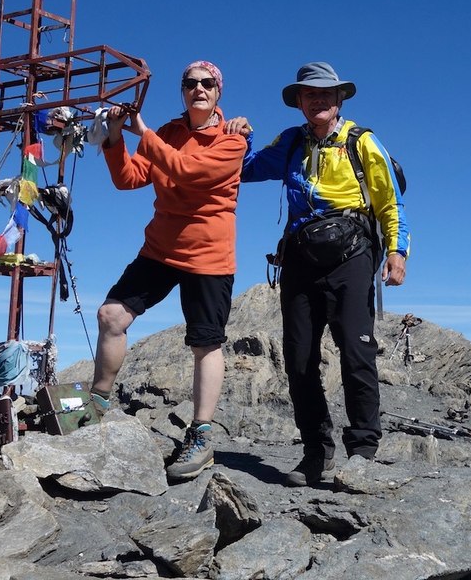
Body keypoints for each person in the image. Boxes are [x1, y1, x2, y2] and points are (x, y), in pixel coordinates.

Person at [226, 61, 410, 486]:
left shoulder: (362, 142)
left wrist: (397, 252)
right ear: (300, 103)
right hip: (299, 259)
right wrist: (240, 135)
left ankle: (362, 451)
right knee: (299, 357)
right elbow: (246, 169)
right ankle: (316, 452)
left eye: (326, 93)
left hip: (352, 255)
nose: (318, 100)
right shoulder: (291, 142)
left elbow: (390, 200)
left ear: (339, 98)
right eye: (310, 95)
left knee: (356, 350)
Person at [90, 60, 247, 482]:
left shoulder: (232, 139)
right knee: (111, 316)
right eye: (190, 83)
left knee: (205, 342)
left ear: (218, 91)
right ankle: (97, 402)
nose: (199, 88)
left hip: (209, 255)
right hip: (160, 248)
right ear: (182, 91)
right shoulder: (169, 132)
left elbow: (189, 172)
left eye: (207, 83)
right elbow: (128, 179)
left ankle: (201, 434)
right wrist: (114, 137)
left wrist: (143, 132)